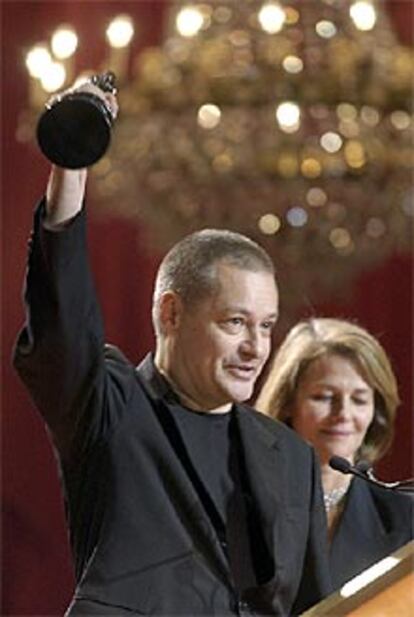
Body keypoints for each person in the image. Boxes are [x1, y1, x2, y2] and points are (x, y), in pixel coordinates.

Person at [13, 82, 331, 616]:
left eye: (267, 325)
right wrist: (73, 159)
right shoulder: (109, 407)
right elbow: (63, 318)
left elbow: (317, 607)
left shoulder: (293, 457)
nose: (256, 348)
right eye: (235, 322)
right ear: (171, 313)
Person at [256, 317, 413, 590]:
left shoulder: (405, 516)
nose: (343, 414)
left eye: (360, 399)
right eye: (325, 397)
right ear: (288, 403)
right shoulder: (243, 502)